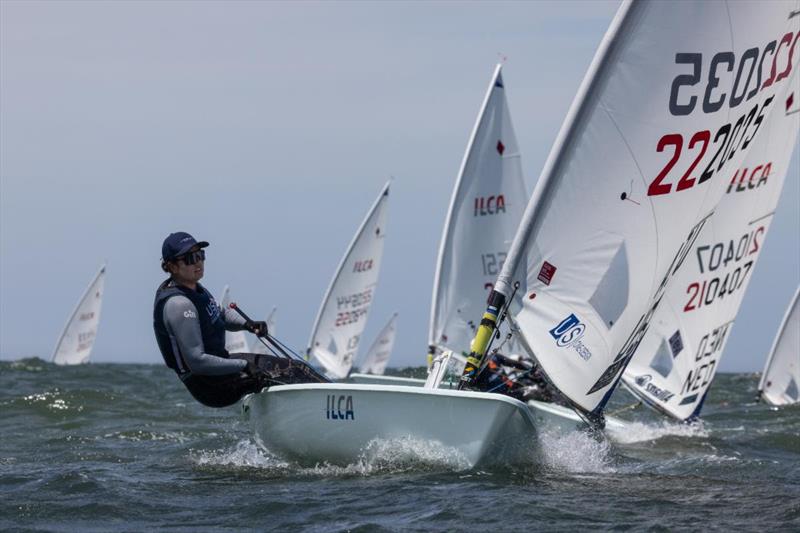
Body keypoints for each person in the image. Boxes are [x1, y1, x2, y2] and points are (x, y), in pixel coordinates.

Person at [153, 231, 328, 408]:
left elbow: (220, 314)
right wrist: (243, 366)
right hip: (209, 385)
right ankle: (327, 405)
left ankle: (331, 397)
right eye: (189, 258)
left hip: (223, 368)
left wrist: (247, 324)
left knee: (297, 368)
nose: (198, 262)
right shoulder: (179, 304)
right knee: (287, 374)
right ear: (172, 267)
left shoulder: (196, 289)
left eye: (200, 255)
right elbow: (197, 362)